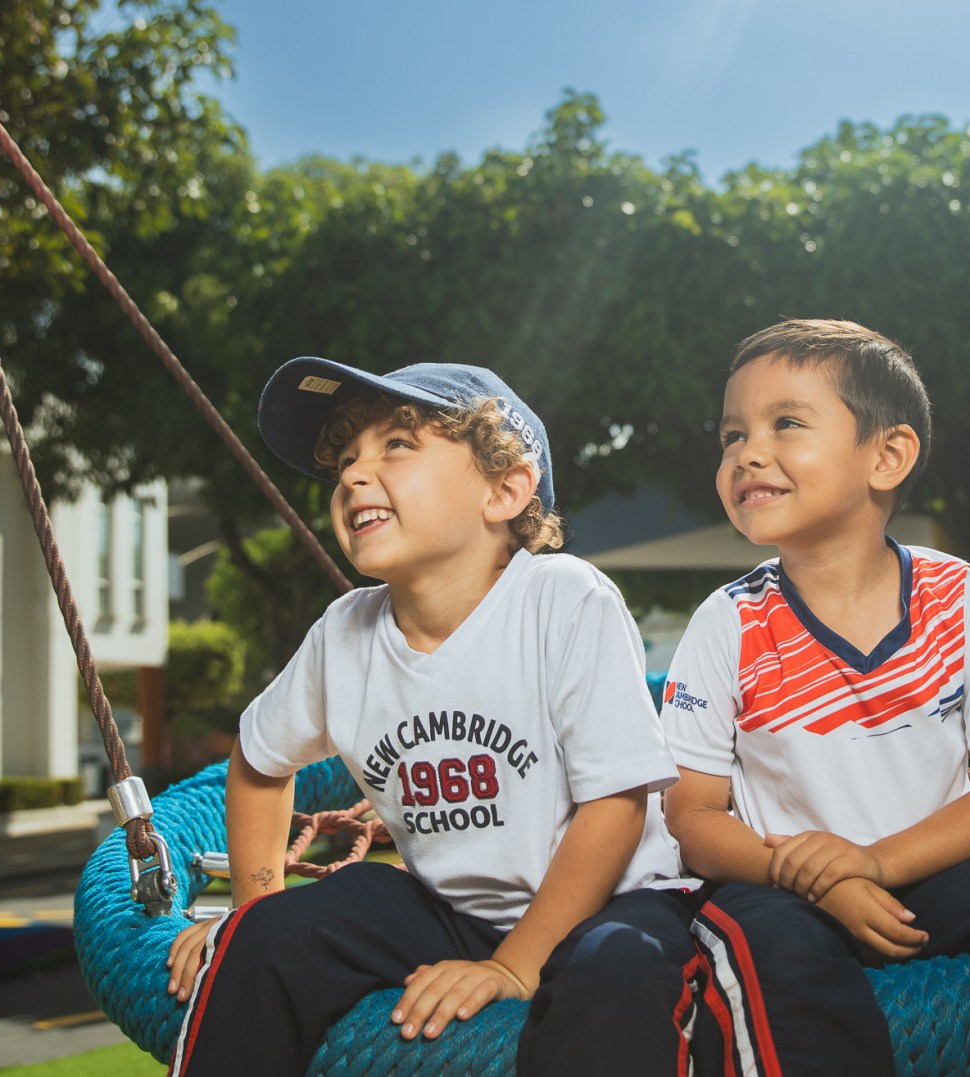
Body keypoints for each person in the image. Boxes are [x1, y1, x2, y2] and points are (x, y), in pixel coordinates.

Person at [661, 319, 970, 1077]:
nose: (748, 453)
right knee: (755, 937)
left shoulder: (955, 593)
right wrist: (818, 875)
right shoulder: (727, 621)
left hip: (934, 874)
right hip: (789, 890)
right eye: (732, 435)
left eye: (785, 424)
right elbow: (693, 818)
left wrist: (870, 862)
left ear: (888, 455)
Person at [165, 359, 696, 1077]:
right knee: (274, 940)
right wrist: (255, 908)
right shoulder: (344, 631)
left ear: (505, 489)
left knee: (617, 973)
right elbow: (260, 762)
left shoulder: (564, 599)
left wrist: (515, 966)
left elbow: (617, 803)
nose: (354, 475)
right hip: (450, 911)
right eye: (347, 459)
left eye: (397, 446)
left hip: (615, 902)